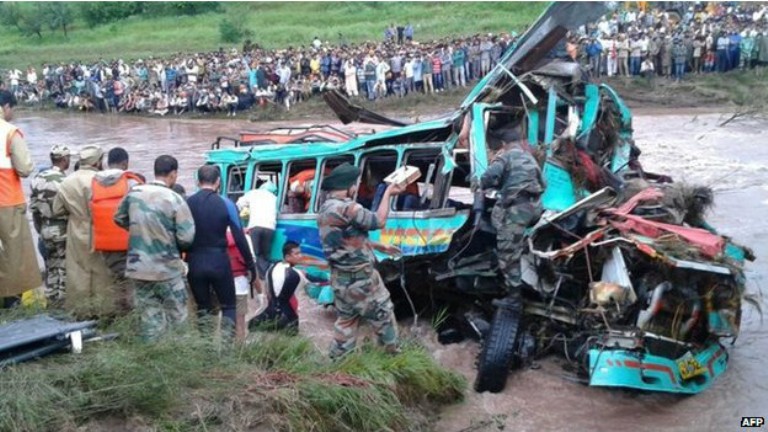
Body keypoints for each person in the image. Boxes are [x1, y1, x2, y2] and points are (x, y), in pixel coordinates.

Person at [317, 162, 405, 359]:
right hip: (362, 280)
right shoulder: (349, 208)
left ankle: (337, 366)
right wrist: (388, 193)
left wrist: (380, 247)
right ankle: (393, 361)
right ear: (349, 185)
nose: (356, 188)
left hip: (340, 280)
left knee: (346, 322)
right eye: (355, 183)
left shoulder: (324, 210)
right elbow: (378, 221)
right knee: (383, 316)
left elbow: (345, 242)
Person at [114, 155, 195, 341]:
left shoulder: (134, 193)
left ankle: (153, 356)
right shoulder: (174, 198)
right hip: (167, 269)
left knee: (149, 319)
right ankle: (180, 358)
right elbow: (187, 238)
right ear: (173, 174)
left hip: (139, 269)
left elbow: (118, 218)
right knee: (178, 318)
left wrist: (138, 231)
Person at [479, 129, 544, 318]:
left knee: (507, 252)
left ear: (503, 145)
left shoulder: (505, 157)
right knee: (506, 228)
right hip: (535, 208)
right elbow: (544, 183)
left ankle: (514, 298)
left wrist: (483, 183)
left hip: (518, 210)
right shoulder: (531, 159)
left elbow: (488, 178)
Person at [186, 165, 256, 334]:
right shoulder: (226, 203)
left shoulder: (187, 202)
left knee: (203, 307)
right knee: (229, 306)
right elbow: (239, 237)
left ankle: (206, 348)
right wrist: (250, 265)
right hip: (219, 261)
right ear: (218, 182)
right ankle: (226, 351)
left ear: (197, 181)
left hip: (194, 261)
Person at [52, 145, 116, 318]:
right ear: (97, 162)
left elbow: (56, 209)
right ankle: (104, 311)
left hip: (76, 229)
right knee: (101, 272)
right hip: (99, 228)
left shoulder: (67, 181)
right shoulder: (102, 180)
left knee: (77, 271)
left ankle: (80, 311)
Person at [0, 90, 41, 308]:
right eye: (12, 109)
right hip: (6, 201)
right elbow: (24, 169)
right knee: (14, 253)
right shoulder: (9, 132)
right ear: (6, 106)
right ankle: (11, 303)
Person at [91, 147, 145, 314]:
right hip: (129, 242)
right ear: (125, 163)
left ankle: (119, 315)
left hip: (105, 243)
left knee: (116, 282)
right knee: (135, 283)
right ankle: (133, 319)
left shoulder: (95, 182)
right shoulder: (131, 182)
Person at [251, 241, 326, 332]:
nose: (300, 256)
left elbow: (269, 293)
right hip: (288, 319)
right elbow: (319, 282)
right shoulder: (297, 274)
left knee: (252, 326)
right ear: (287, 257)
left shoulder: (271, 268)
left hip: (269, 312)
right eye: (297, 254)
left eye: (300, 253)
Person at [29, 144, 71, 306]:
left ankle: (51, 301)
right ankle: (63, 303)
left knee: (51, 267)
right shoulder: (64, 180)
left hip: (45, 229)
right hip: (61, 229)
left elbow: (33, 209)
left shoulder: (37, 179)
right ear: (63, 159)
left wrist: (40, 230)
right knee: (65, 267)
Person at [236, 181, 278, 278]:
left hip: (255, 226)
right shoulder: (274, 197)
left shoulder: (253, 193)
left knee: (256, 253)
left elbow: (238, 204)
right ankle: (268, 274)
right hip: (270, 227)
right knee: (266, 253)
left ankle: (261, 276)